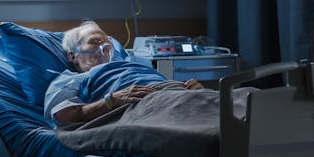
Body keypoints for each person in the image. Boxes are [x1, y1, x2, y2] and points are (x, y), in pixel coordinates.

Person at [43, 20, 203, 127]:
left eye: (107, 42)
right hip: (147, 108)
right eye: (95, 41)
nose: (105, 47)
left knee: (222, 109)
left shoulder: (135, 65)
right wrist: (112, 101)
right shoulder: (70, 79)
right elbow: (63, 116)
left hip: (177, 96)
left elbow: (166, 86)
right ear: (73, 56)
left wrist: (193, 90)